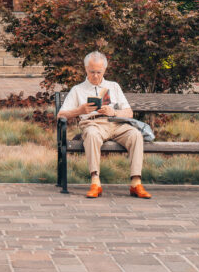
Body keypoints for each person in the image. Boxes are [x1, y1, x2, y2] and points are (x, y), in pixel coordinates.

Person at [57, 50, 151, 198]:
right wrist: (79, 110)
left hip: (115, 123)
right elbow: (60, 115)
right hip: (93, 125)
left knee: (135, 135)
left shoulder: (113, 86)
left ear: (105, 70)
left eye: (99, 72)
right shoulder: (78, 90)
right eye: (92, 71)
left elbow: (129, 113)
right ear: (86, 69)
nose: (95, 75)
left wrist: (113, 112)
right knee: (92, 135)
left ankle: (136, 183)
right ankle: (95, 182)